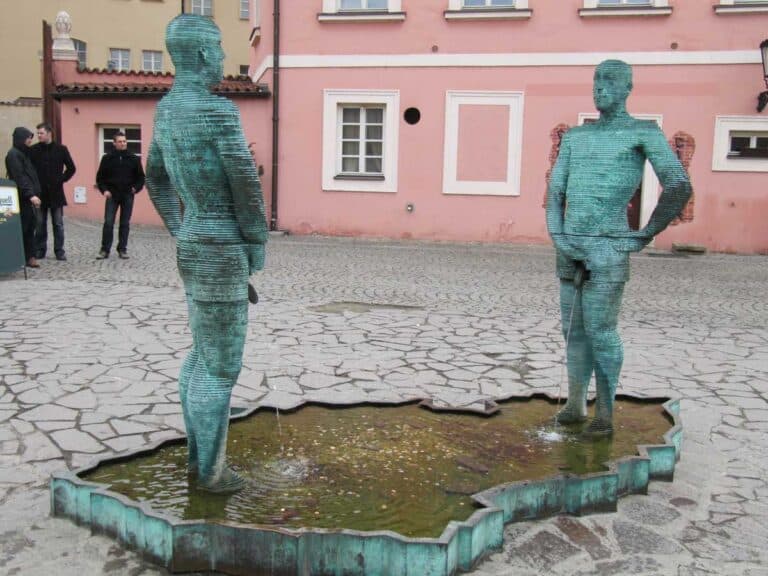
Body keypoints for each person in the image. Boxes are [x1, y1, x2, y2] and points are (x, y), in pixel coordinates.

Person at [146, 14, 267, 492]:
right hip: (220, 248)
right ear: (199, 54)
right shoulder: (217, 113)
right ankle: (212, 475)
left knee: (201, 355)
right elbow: (245, 183)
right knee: (220, 367)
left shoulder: (165, 111)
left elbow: (154, 176)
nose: (221, 58)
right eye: (217, 49)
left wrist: (180, 227)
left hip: (194, 242)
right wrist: (256, 243)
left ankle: (199, 460)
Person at [546, 60, 691, 436]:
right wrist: (559, 237)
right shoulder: (576, 137)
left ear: (627, 88)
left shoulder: (642, 132)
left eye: (608, 81)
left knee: (601, 330)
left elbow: (677, 185)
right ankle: (576, 405)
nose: (599, 87)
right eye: (595, 80)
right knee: (572, 331)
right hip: (569, 247)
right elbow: (555, 193)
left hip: (609, 248)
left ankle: (605, 413)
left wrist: (643, 235)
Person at [30, 122, 76, 261]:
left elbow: (71, 168)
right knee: (40, 223)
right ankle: (40, 249)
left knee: (58, 223)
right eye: (38, 133)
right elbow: (30, 170)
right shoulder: (34, 150)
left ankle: (59, 250)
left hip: (56, 192)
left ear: (49, 133)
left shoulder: (61, 149)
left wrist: (61, 179)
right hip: (40, 192)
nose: (39, 135)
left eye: (41, 133)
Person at [95, 131, 145, 259]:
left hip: (127, 195)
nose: (123, 143)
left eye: (124, 141)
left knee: (124, 223)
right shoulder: (107, 158)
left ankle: (122, 249)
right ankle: (105, 250)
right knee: (108, 223)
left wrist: (135, 188)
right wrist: (104, 190)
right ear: (114, 143)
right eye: (120, 141)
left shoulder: (133, 158)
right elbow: (100, 178)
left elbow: (141, 177)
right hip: (112, 195)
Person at [5, 127, 42, 268]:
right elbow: (19, 177)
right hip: (22, 198)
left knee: (30, 228)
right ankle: (20, 257)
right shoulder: (13, 155)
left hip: (28, 198)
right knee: (22, 228)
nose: (30, 141)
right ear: (21, 138)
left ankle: (30, 256)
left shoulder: (23, 154)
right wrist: (30, 194)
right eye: (28, 138)